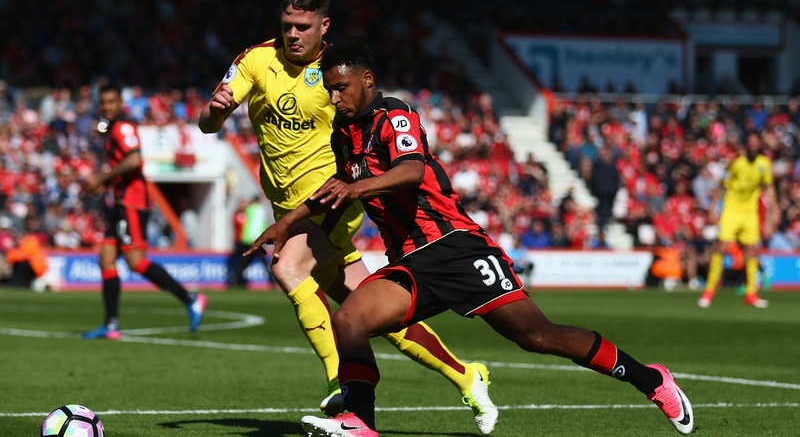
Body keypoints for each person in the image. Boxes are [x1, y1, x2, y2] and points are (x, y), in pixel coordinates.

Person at [248, 41, 695, 436]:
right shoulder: (343, 135)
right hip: (411, 262)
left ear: (366, 80)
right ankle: (360, 422)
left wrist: (355, 189)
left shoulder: (395, 116)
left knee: (538, 337)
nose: (334, 96)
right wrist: (288, 224)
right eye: (328, 89)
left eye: (341, 87)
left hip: (456, 246)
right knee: (350, 320)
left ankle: (651, 380)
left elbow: (412, 171)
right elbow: (337, 192)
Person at [200, 0, 497, 431]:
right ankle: (466, 375)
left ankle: (342, 382)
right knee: (371, 310)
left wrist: (363, 179)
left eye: (303, 27)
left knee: (287, 266)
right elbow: (207, 123)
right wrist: (217, 112)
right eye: (287, 27)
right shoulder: (255, 60)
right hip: (288, 207)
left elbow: (373, 121)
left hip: (332, 198)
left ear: (324, 27)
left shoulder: (337, 73)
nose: (293, 35)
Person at [82, 85, 208, 340]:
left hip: (133, 202)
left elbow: (134, 160)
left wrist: (102, 177)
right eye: (103, 102)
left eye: (111, 101)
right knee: (106, 259)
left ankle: (191, 299)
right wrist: (105, 183)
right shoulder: (111, 127)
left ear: (120, 103)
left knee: (136, 261)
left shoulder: (123, 127)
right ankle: (111, 325)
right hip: (120, 201)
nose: (106, 106)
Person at [698, 133, 779, 308]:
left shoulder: (764, 164)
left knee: (751, 251)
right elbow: (722, 184)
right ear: (746, 145)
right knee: (721, 247)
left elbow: (769, 186)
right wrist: (713, 208)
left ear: (759, 146)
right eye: (749, 144)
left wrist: (774, 209)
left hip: (750, 213)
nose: (752, 147)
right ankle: (709, 291)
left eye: (755, 144)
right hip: (731, 211)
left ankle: (751, 293)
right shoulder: (736, 163)